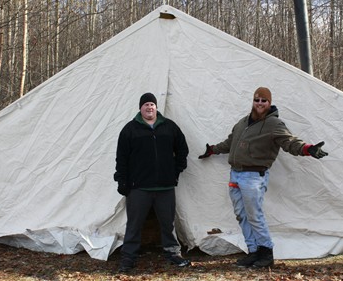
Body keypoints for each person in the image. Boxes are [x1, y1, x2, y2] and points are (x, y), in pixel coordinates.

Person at [198, 87, 328, 269]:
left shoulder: (274, 124)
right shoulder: (242, 123)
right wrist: (212, 149)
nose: (260, 103)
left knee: (254, 215)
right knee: (241, 215)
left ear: (269, 103)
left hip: (253, 176)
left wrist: (307, 149)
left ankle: (266, 253)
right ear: (253, 101)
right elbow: (230, 142)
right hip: (235, 174)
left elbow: (289, 141)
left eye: (264, 101)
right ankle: (253, 252)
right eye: (257, 100)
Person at [114, 92, 191, 273]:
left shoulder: (169, 127)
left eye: (152, 105)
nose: (149, 108)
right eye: (146, 105)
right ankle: (128, 257)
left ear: (156, 107)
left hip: (165, 186)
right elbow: (121, 158)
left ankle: (173, 253)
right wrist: (122, 180)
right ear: (140, 108)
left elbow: (182, 148)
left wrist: (176, 171)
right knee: (134, 223)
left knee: (167, 223)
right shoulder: (130, 129)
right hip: (139, 187)